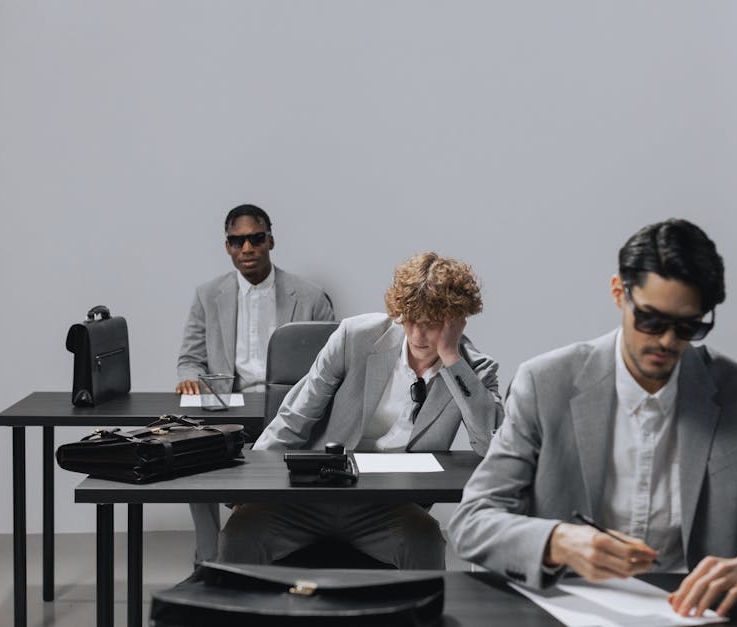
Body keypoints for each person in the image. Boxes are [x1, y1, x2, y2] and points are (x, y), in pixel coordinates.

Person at [448, 218, 737, 618]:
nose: (667, 340)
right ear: (619, 294)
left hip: (691, 612)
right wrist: (557, 541)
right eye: (651, 320)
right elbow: (473, 521)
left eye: (688, 327)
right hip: (567, 607)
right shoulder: (545, 383)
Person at [219, 252, 504, 569]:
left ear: (456, 321)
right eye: (409, 320)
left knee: (424, 541)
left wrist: (451, 356)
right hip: (315, 493)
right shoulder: (355, 337)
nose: (418, 336)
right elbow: (294, 417)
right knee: (240, 534)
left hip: (390, 506)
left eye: (433, 324)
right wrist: (249, 486)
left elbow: (490, 444)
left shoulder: (472, 370)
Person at [176, 204, 334, 564]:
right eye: (237, 241)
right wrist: (188, 378)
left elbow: (334, 366)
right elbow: (189, 358)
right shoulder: (207, 295)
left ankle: (278, 558)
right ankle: (208, 562)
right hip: (228, 409)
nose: (247, 248)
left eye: (256, 238)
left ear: (270, 240)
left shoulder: (310, 297)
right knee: (193, 462)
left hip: (291, 411)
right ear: (228, 247)